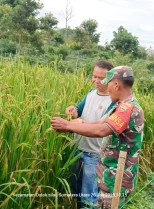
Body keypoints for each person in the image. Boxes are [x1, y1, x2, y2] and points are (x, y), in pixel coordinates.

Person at [51, 66, 144, 208]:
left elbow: (102, 130)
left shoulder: (127, 109)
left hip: (117, 178)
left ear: (117, 85)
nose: (106, 86)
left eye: (108, 83)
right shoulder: (121, 106)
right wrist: (73, 124)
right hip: (110, 176)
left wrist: (68, 126)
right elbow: (99, 123)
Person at [65, 60, 115, 208]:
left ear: (110, 79)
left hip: (95, 154)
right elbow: (78, 111)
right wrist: (72, 110)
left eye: (101, 78)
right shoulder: (91, 94)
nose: (97, 81)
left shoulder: (113, 101)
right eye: (94, 76)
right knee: (74, 188)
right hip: (77, 149)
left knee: (88, 196)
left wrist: (75, 124)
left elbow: (101, 126)